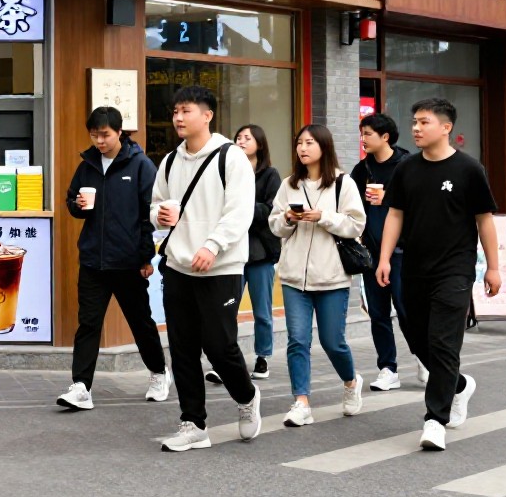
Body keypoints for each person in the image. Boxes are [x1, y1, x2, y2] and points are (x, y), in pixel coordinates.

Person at [376, 97, 501, 452]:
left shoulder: (469, 170)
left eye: (424, 122)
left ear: (446, 128)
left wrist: (493, 267)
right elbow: (395, 215)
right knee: (417, 338)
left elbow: (484, 220)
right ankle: (459, 386)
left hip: (455, 269)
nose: (416, 127)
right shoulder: (407, 169)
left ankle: (435, 420)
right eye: (414, 121)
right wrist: (384, 258)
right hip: (413, 266)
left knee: (444, 342)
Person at [150, 85, 260, 452]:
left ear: (207, 115)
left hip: (221, 267)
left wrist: (212, 245)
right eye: (176, 111)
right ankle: (193, 423)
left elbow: (240, 212)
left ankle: (246, 397)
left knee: (220, 344)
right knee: (181, 348)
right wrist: (160, 216)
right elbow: (155, 206)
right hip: (178, 266)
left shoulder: (231, 157)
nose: (178, 118)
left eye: (186, 111)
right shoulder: (169, 162)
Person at [54, 107, 169, 411]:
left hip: (129, 261)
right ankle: (81, 386)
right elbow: (71, 200)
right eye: (94, 135)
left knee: (140, 322)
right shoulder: (87, 165)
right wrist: (77, 204)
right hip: (93, 260)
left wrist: (147, 257)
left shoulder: (141, 166)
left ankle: (159, 373)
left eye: (104, 134)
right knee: (88, 324)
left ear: (120, 132)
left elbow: (151, 216)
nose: (99, 141)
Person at [269, 125, 368, 427]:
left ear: (324, 147)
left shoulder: (343, 183)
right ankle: (301, 402)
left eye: (309, 142)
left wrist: (323, 217)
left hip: (332, 277)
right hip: (293, 277)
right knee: (297, 341)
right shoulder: (289, 184)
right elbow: (275, 225)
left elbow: (356, 225)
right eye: (299, 143)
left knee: (332, 341)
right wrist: (287, 218)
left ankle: (351, 382)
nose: (303, 148)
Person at [206, 125, 281, 385]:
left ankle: (262, 357)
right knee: (227, 309)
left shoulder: (270, 175)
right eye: (238, 138)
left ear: (259, 143)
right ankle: (227, 360)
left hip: (259, 253)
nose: (241, 141)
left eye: (247, 138)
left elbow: (272, 210)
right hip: (231, 251)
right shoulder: (227, 172)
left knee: (262, 311)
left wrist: (242, 209)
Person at [351, 113, 419, 391]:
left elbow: (420, 205)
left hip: (403, 254)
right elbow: (352, 206)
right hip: (372, 253)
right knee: (378, 313)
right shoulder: (362, 169)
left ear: (385, 137)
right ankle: (387, 368)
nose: (363, 139)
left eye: (368, 134)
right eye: (362, 133)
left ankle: (423, 358)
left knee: (406, 311)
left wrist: (387, 198)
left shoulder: (408, 166)